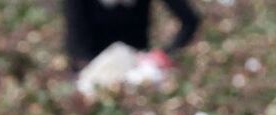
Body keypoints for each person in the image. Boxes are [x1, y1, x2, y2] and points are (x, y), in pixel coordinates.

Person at [63, 0, 201, 73]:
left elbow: (190, 20)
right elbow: (76, 45)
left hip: (137, 69)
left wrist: (165, 54)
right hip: (91, 71)